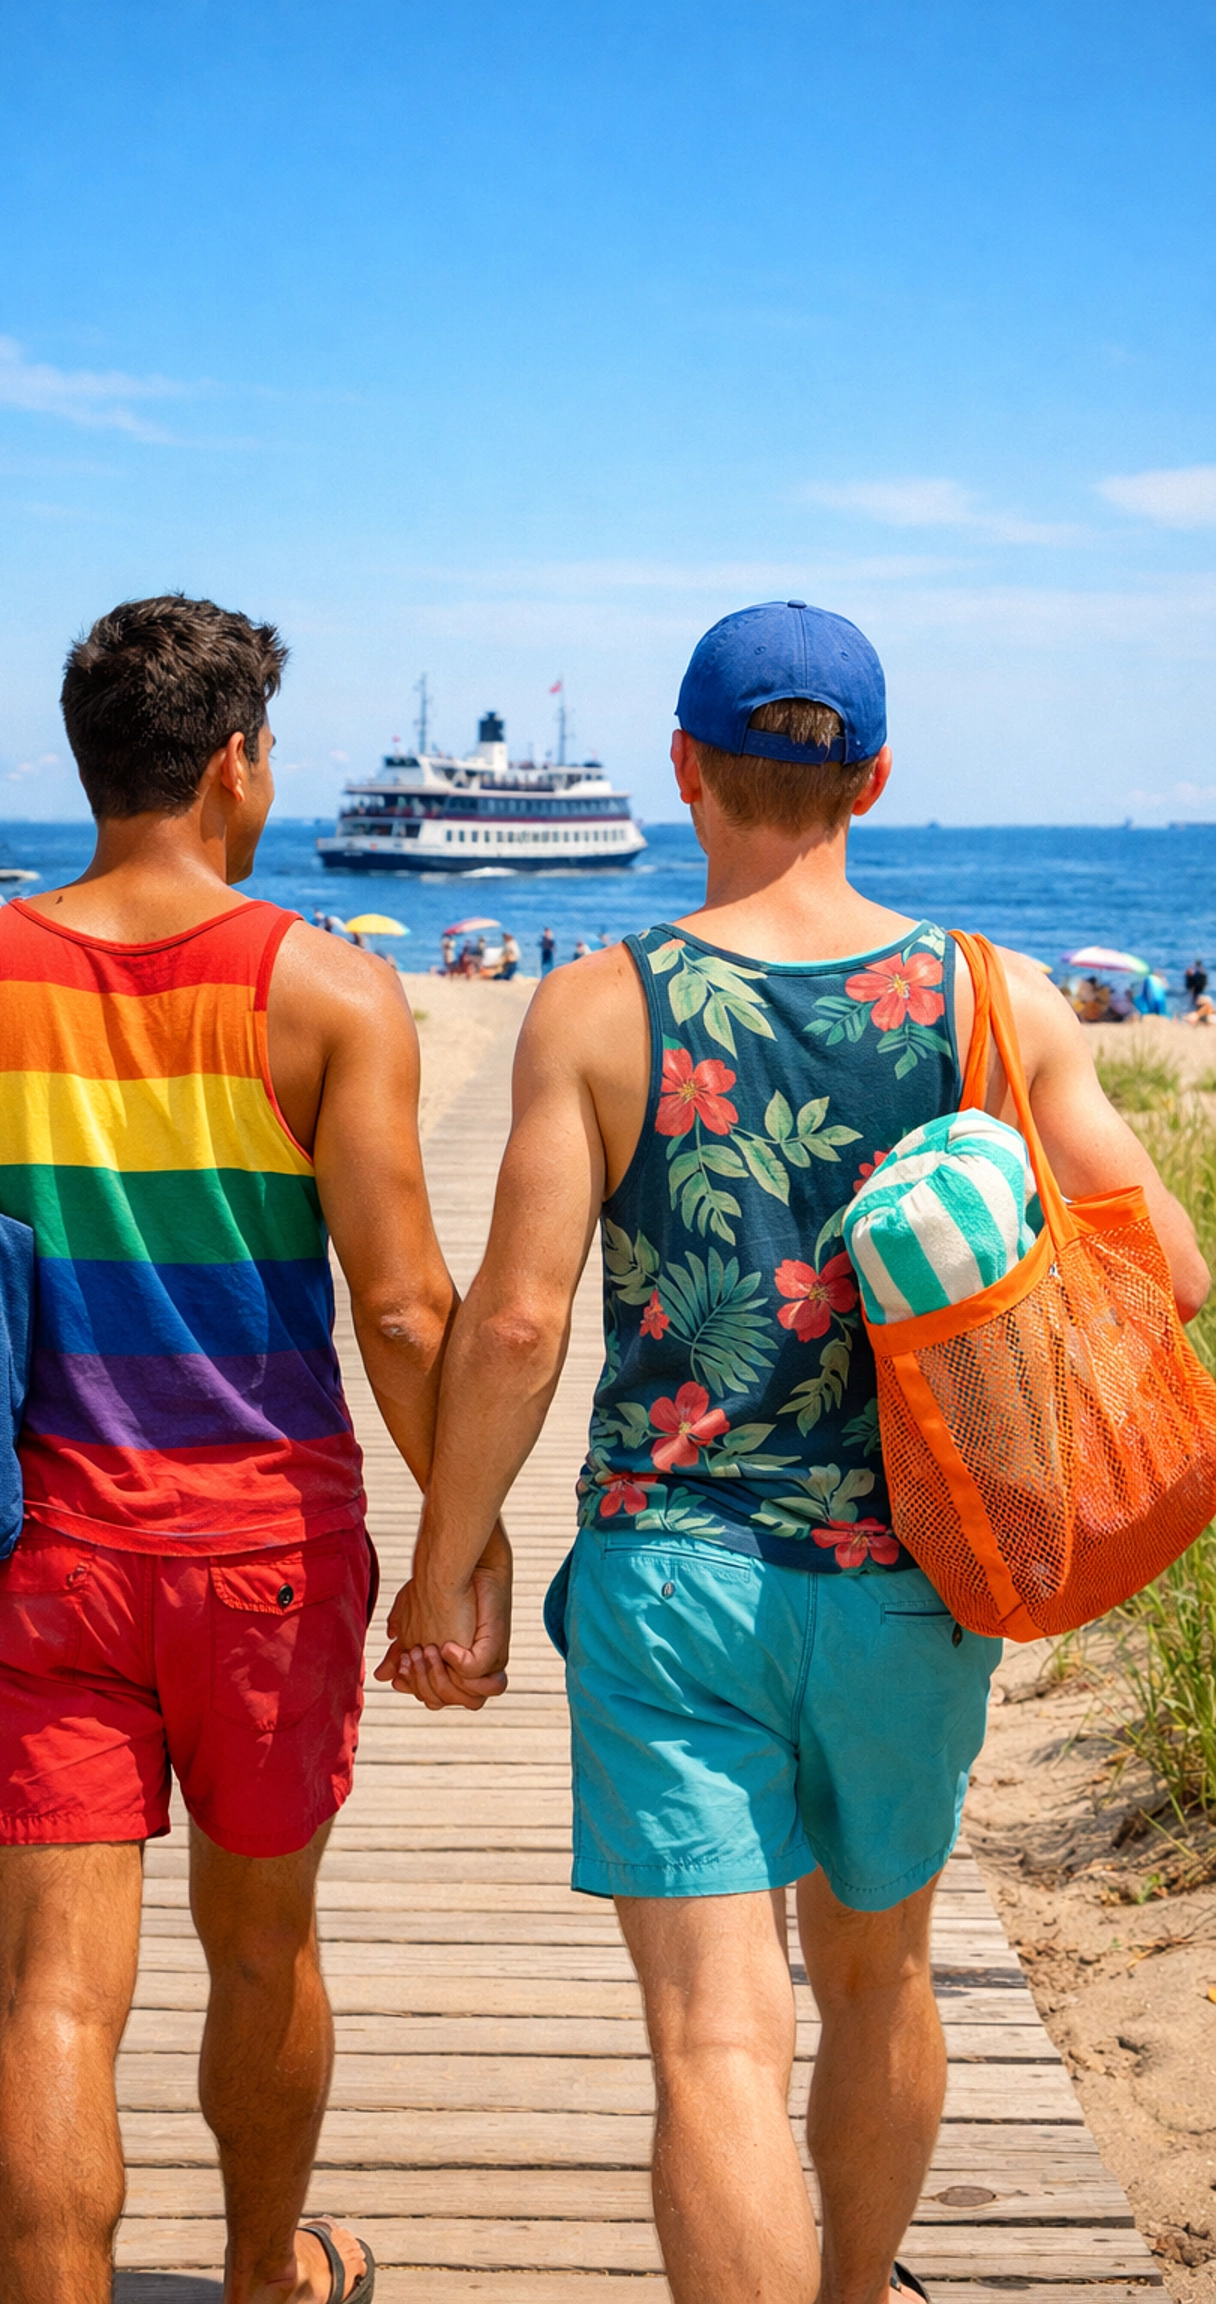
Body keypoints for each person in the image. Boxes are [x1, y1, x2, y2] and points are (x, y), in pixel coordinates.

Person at [381, 600, 1209, 2304]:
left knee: (714, 2043)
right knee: (880, 1979)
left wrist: (448, 1555)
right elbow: (1173, 1271)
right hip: (913, 1577)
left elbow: (522, 1326)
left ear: (684, 769)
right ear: (877, 779)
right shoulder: (998, 994)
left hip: (672, 1578)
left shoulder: (600, 1008)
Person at [0, 594, 502, 2304]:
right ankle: (268, 2271)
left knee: (53, 1997)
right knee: (263, 1950)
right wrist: (460, 1545)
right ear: (236, 766)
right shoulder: (330, 993)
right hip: (266, 1559)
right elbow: (410, 1312)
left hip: (29, 1548)